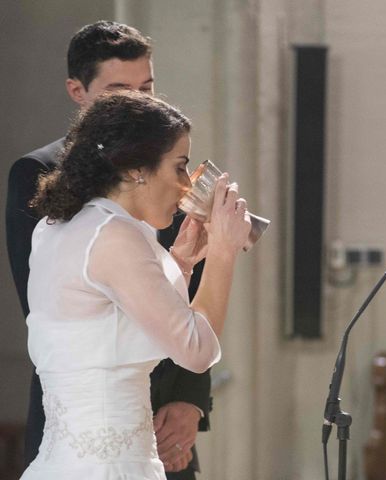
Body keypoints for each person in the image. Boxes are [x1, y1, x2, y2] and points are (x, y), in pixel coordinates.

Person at [5, 21, 213, 478]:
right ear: (77, 91)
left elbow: (184, 285)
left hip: (164, 406)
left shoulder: (166, 169)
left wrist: (187, 402)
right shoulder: (39, 173)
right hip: (90, 415)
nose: (139, 103)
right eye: (120, 89)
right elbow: (55, 309)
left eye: (147, 88)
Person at [19, 90, 251, 479]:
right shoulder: (114, 235)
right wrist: (224, 252)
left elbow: (111, 326)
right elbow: (195, 350)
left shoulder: (57, 228)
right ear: (134, 169)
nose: (185, 186)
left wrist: (183, 264)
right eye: (180, 166)